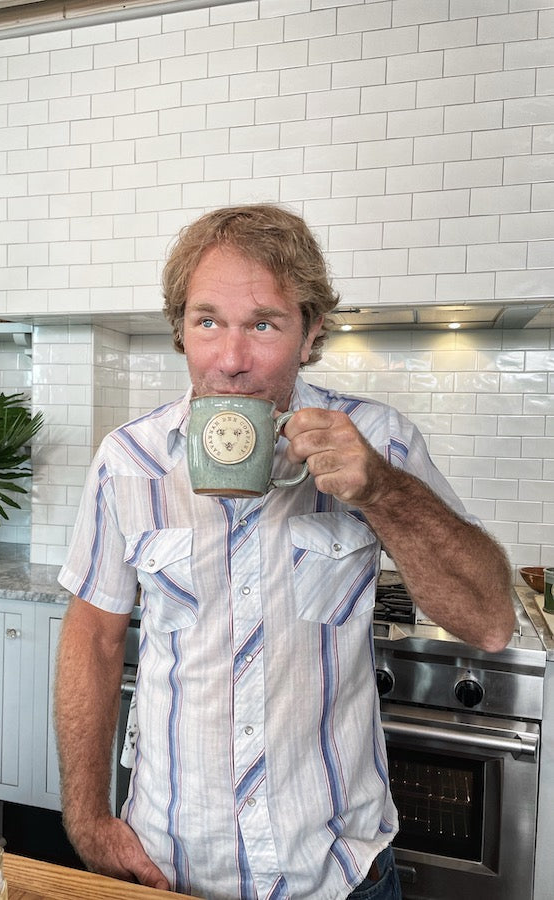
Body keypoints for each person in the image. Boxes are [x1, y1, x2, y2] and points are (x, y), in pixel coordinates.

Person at [55, 203, 515, 900]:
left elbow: (487, 620)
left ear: (310, 335)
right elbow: (91, 636)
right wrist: (86, 817)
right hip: (170, 866)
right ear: (180, 330)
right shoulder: (128, 461)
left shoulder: (378, 440)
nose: (231, 361)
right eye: (206, 321)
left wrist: (383, 491)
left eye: (263, 324)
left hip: (335, 872)